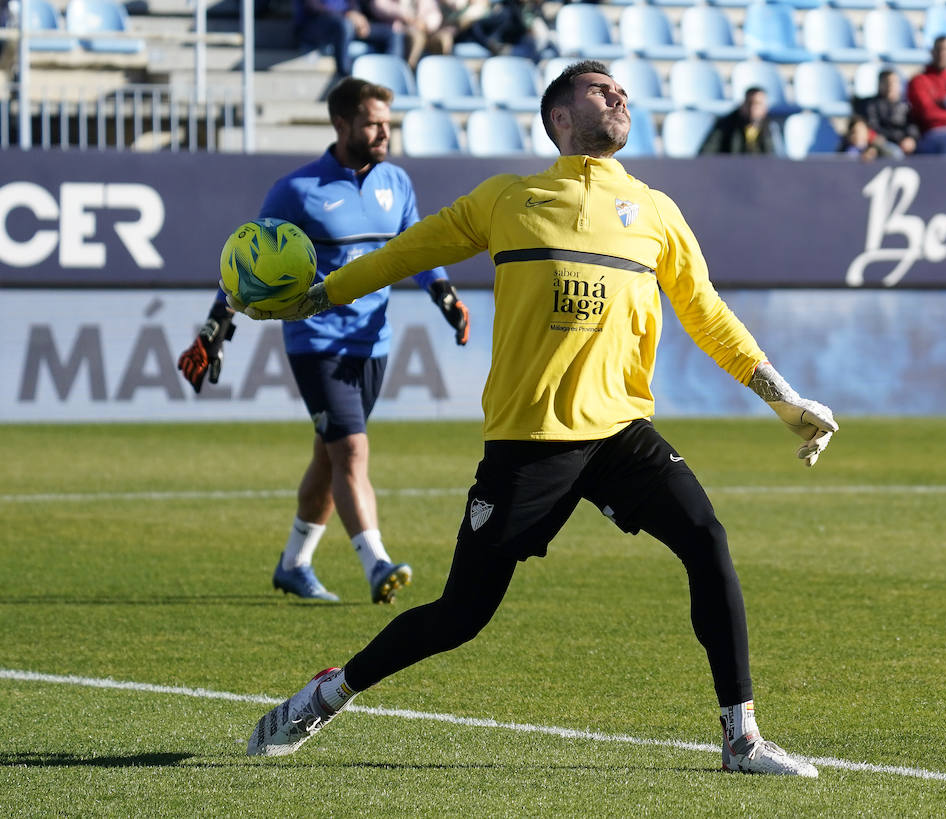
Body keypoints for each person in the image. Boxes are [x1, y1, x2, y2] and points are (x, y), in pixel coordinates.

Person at [236, 60, 837, 777]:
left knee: (707, 539)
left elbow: (706, 313)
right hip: (529, 443)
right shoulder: (506, 200)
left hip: (620, 432)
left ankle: (741, 736)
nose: (617, 93)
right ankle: (328, 694)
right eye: (598, 87)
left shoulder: (655, 211)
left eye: (620, 87)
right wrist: (320, 295)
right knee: (461, 616)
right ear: (559, 117)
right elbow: (406, 251)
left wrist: (783, 397)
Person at [177, 78, 472, 605]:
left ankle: (294, 563)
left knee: (329, 457)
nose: (385, 131)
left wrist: (444, 293)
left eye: (387, 122)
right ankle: (377, 563)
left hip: (373, 341)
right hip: (315, 340)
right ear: (341, 125)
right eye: (373, 122)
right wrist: (215, 328)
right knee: (352, 452)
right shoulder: (296, 190)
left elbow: (415, 247)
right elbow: (246, 266)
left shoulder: (396, 182)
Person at [292, 0, 406, 78]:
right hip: (315, 25)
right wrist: (346, 14)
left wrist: (358, 17)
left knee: (392, 34)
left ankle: (390, 77)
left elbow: (353, 4)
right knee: (344, 25)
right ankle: (346, 76)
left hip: (347, 23)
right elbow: (313, 6)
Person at [852, 68, 919, 158]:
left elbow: (912, 126)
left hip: (903, 143)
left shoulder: (905, 106)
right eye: (887, 82)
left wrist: (911, 139)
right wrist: (898, 139)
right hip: (885, 143)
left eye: (895, 82)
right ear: (880, 84)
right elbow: (874, 127)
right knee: (895, 154)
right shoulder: (872, 105)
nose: (891, 86)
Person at [699, 87, 777, 156]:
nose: (753, 108)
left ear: (765, 108)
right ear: (742, 105)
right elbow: (706, 153)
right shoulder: (725, 124)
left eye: (758, 104)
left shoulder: (771, 128)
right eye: (749, 103)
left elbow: (775, 157)